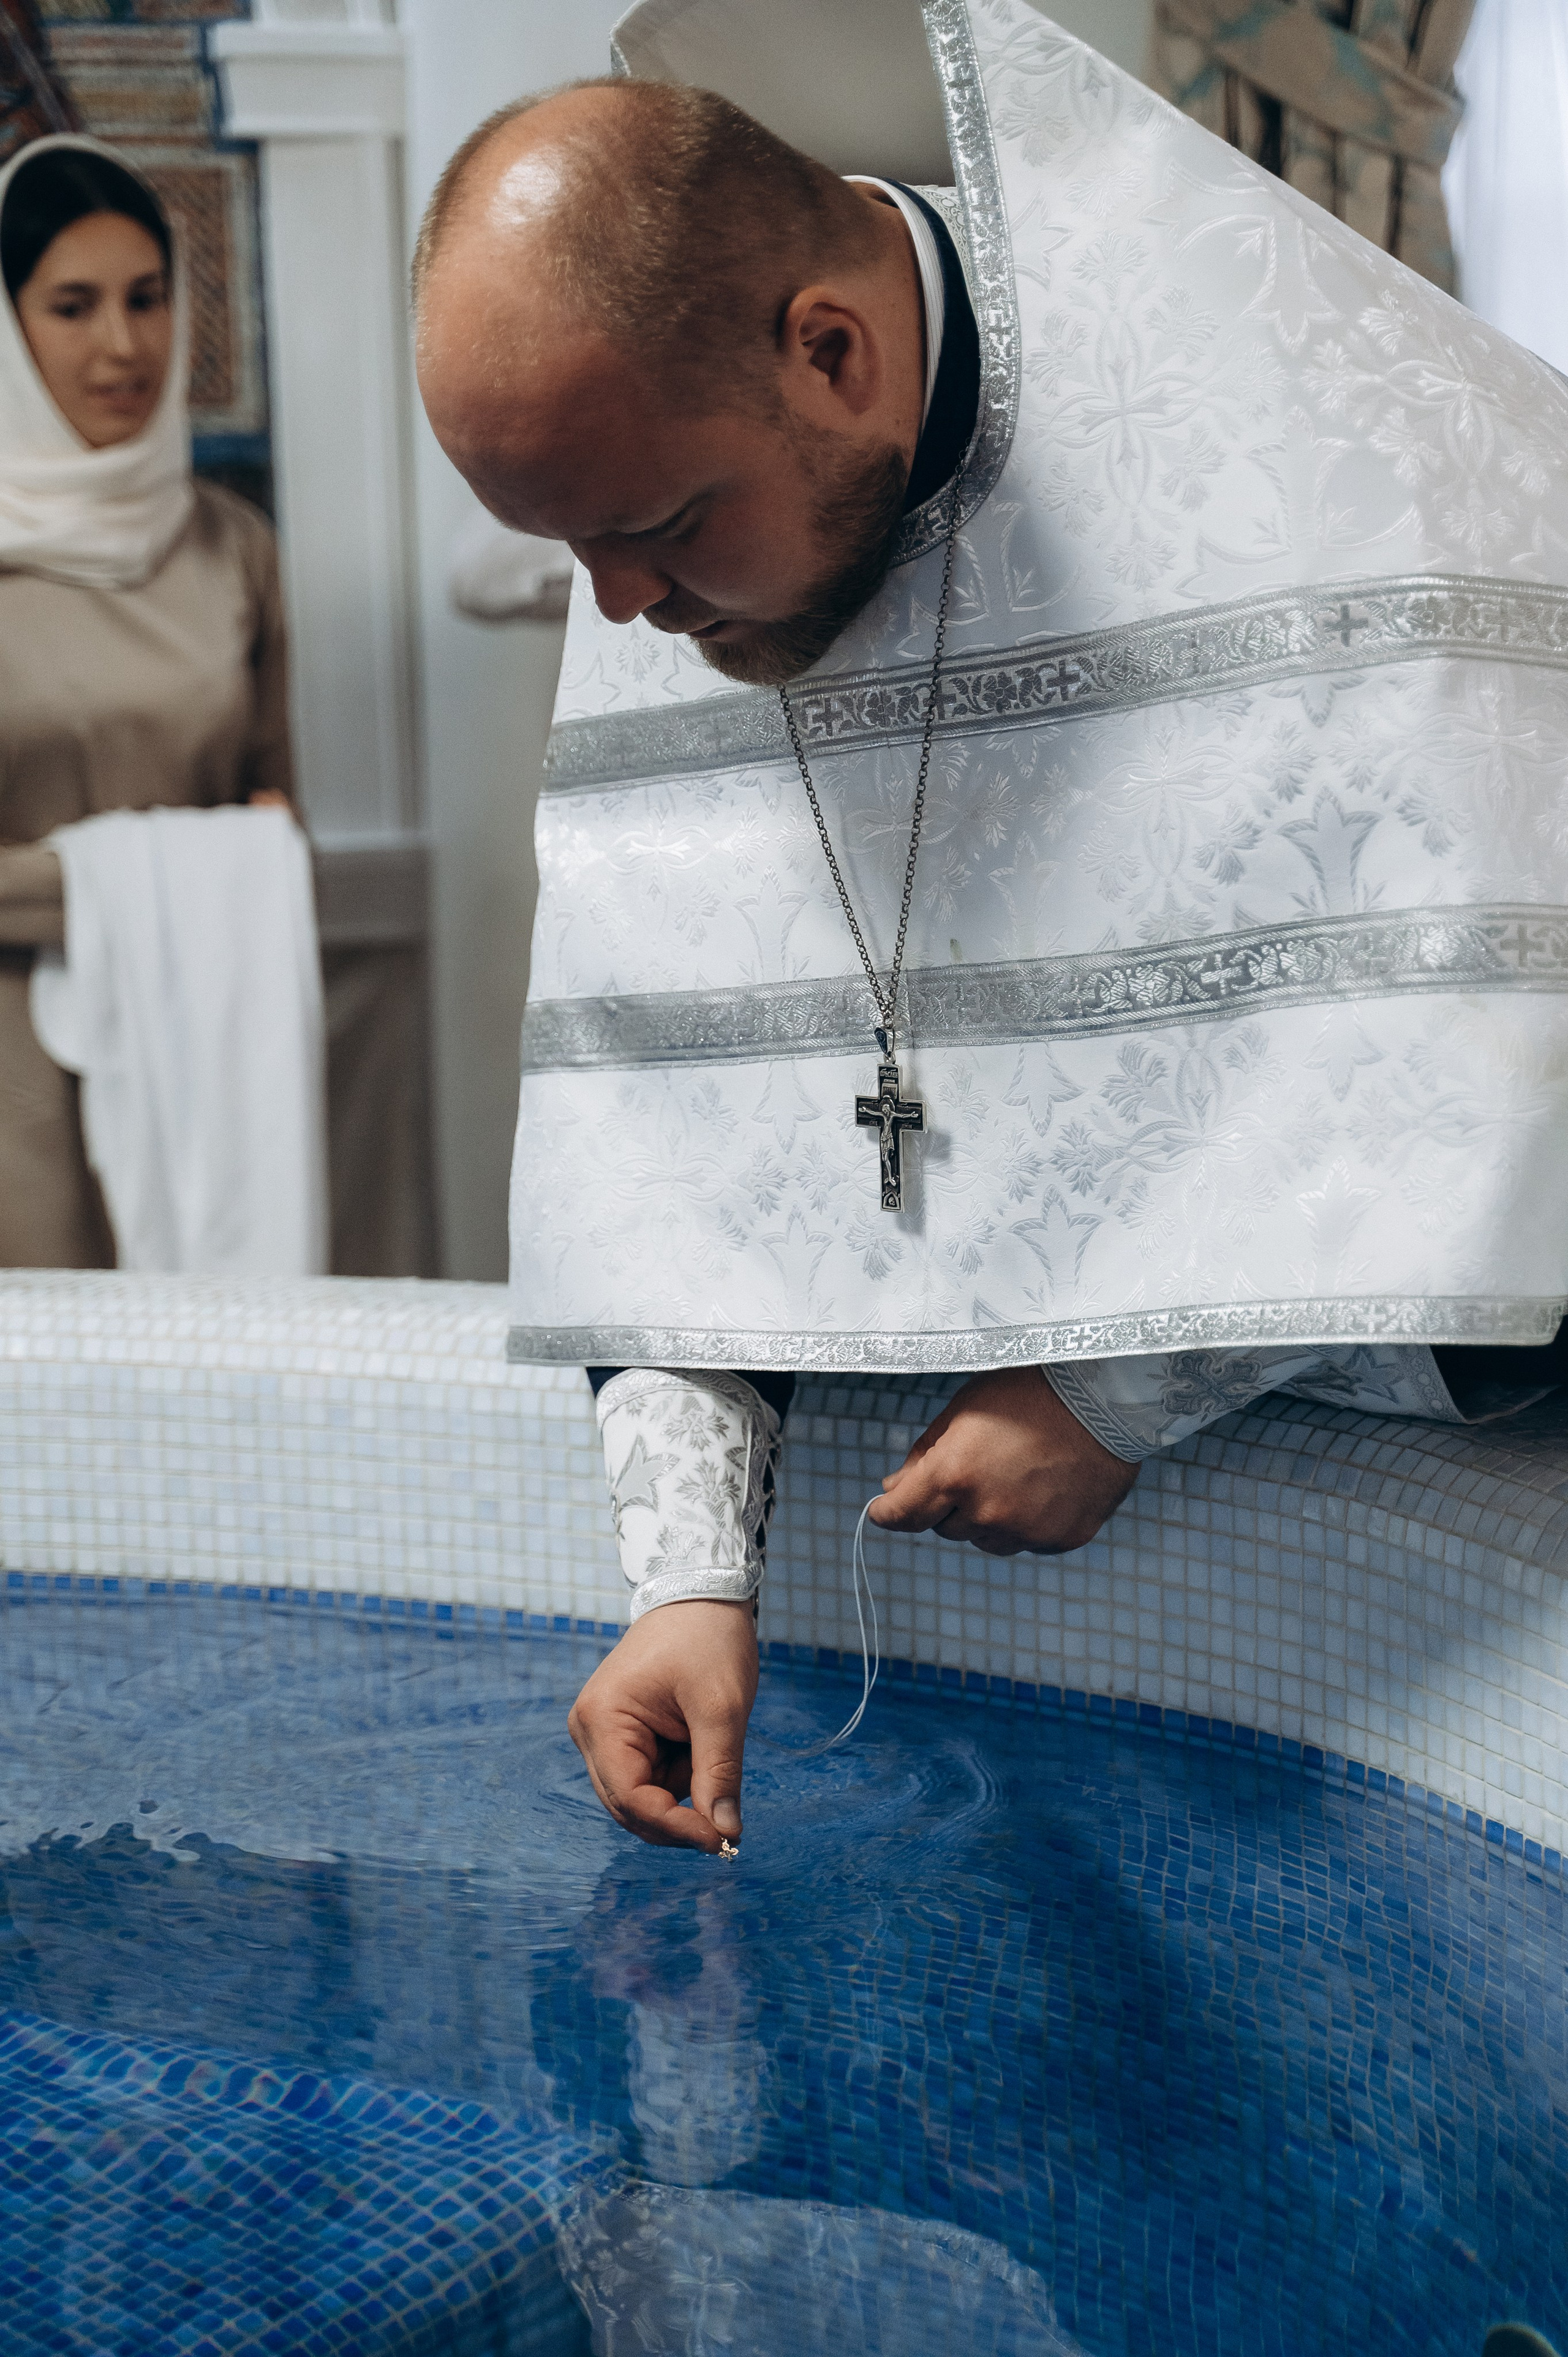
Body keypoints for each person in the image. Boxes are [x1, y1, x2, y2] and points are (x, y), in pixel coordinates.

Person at [411, 1, 1568, 1856]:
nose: (619, 613)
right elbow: (673, 1118)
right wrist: (687, 1580)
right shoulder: (669, 536)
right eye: (575, 552)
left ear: (833, 350)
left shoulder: (1326, 448)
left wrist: (1117, 1386)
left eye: (661, 528)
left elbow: (1476, 1047)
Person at [0, 135, 294, 1269]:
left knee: (213, 1352)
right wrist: (121, 883)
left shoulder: (232, 549)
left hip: (205, 1050)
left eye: (147, 297)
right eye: (73, 307)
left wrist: (213, 871)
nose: (124, 345)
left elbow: (277, 819)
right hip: (16, 1074)